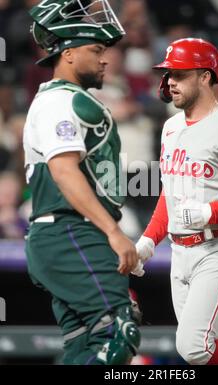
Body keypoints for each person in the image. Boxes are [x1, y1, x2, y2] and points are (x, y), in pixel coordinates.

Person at [132, 38, 218, 365]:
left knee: (194, 346)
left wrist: (211, 211)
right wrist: (147, 241)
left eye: (179, 74)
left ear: (206, 76)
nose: (170, 82)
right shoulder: (170, 128)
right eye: (168, 74)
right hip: (180, 252)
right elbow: (170, 192)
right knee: (209, 351)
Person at [23, 0, 140, 365]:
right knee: (119, 330)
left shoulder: (66, 100)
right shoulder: (60, 102)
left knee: (85, 346)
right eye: (96, 49)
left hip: (65, 234)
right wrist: (113, 232)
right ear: (69, 53)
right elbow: (64, 171)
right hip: (70, 231)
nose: (105, 59)